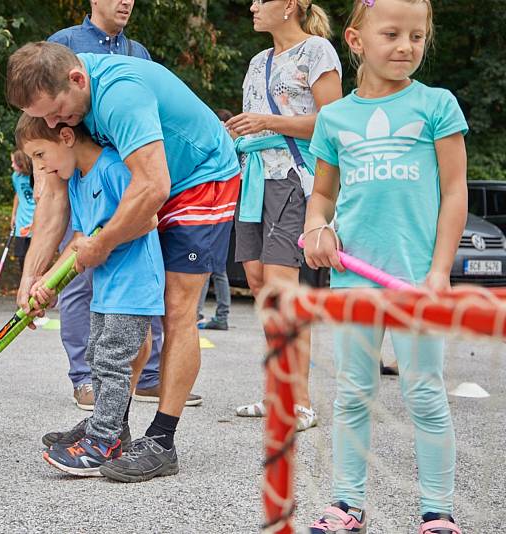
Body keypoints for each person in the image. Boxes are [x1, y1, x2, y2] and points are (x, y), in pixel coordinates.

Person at [6, 42, 239, 482]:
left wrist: (101, 244)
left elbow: (153, 187)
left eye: (56, 113)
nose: (53, 124)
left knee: (176, 308)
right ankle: (110, 426)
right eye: (45, 119)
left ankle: (162, 441)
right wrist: (33, 277)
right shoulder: (59, 107)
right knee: (127, 322)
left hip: (200, 179)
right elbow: (53, 198)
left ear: (77, 80)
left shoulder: (120, 96)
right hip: (152, 182)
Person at [303, 0, 467, 531]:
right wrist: (316, 229)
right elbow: (323, 195)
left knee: (425, 393)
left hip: (418, 278)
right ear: (355, 40)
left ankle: (437, 512)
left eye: (417, 36)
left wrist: (440, 271)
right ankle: (346, 504)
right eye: (393, 34)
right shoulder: (334, 117)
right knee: (353, 392)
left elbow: (454, 190)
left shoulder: (436, 105)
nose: (406, 47)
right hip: (354, 278)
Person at [46, 0, 195, 412]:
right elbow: (49, 131)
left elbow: (149, 157)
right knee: (83, 285)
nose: (125, 1)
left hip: (135, 185)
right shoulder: (63, 45)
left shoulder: (137, 54)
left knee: (142, 286)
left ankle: (142, 383)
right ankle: (84, 380)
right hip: (88, 184)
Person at [15, 114, 164, 476]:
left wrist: (103, 240)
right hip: (107, 287)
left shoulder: (111, 168)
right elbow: (79, 242)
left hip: (133, 286)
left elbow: (148, 218)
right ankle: (105, 426)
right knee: (98, 356)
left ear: (66, 137)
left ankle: (104, 440)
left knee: (112, 360)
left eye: (40, 155)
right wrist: (45, 283)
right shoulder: (78, 182)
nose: (41, 168)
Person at [227, 0, 342, 431]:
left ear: (290, 5)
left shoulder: (317, 52)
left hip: (294, 179)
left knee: (282, 287)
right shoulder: (258, 61)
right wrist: (238, 130)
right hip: (253, 177)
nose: (253, 6)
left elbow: (333, 121)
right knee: (258, 282)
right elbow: (255, 124)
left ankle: (302, 402)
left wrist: (267, 122)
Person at [196, 108, 237, 331]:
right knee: (213, 267)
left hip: (218, 211)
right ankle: (211, 314)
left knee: (213, 266)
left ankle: (215, 315)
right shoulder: (223, 147)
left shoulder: (227, 147)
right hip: (219, 210)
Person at [9, 150, 35, 272]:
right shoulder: (15, 177)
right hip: (21, 222)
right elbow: (18, 195)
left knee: (34, 256)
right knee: (21, 256)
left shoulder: (34, 177)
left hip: (35, 222)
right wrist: (13, 215)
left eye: (14, 162)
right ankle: (24, 283)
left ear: (22, 163)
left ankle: (35, 286)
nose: (12, 165)